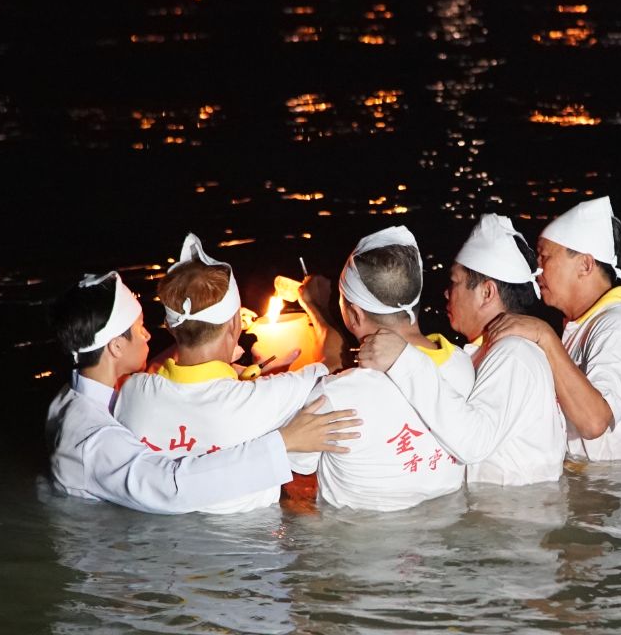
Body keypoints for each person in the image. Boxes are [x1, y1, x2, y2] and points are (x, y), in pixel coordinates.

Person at [45, 270, 359, 514]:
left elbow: (151, 375)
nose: (146, 333)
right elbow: (171, 487)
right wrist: (285, 442)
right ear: (115, 346)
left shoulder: (90, 395)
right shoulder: (92, 442)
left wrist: (202, 339)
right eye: (140, 327)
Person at [112, 234, 341, 514]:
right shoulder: (261, 399)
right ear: (235, 323)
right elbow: (333, 362)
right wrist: (317, 306)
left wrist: (240, 376)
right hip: (251, 545)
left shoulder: (132, 392)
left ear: (171, 328)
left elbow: (174, 379)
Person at [358, 214, 565, 487]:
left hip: (514, 520)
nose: (446, 293)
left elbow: (474, 442)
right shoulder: (488, 351)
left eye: (454, 282)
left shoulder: (514, 354)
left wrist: (404, 359)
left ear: (487, 293)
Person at [290, 225, 476, 511]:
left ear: (354, 313)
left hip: (358, 547)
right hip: (444, 534)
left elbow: (295, 464)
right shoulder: (465, 365)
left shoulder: (335, 396)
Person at [482, 196, 621, 461]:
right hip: (597, 488)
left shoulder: (615, 327)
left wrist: (544, 336)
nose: (537, 270)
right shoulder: (589, 323)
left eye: (544, 257)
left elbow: (594, 421)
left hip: (612, 494)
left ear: (585, 265)